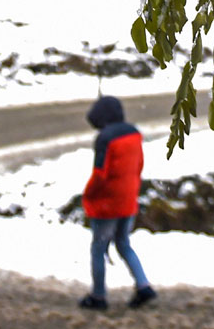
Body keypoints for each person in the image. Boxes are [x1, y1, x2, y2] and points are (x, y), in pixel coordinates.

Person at [78, 95, 157, 311]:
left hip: (107, 204)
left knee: (98, 249)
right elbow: (139, 165)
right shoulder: (134, 133)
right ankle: (143, 286)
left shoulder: (105, 138)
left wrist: (88, 195)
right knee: (123, 244)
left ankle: (98, 296)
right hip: (128, 199)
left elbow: (100, 174)